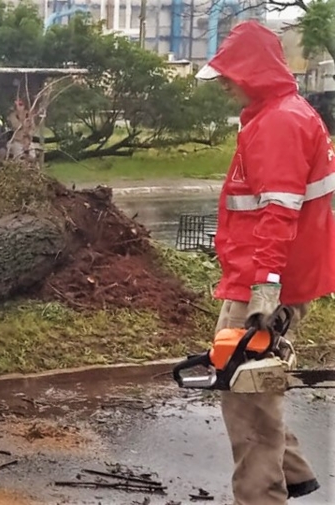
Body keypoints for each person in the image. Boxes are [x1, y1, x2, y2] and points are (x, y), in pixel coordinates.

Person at [196, 20, 334, 505]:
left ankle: (262, 497)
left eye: (230, 74)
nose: (225, 84)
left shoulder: (279, 124)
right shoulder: (279, 114)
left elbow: (278, 216)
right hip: (262, 276)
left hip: (263, 282)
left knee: (247, 404)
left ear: (252, 72)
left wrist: (265, 291)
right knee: (252, 384)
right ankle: (294, 474)